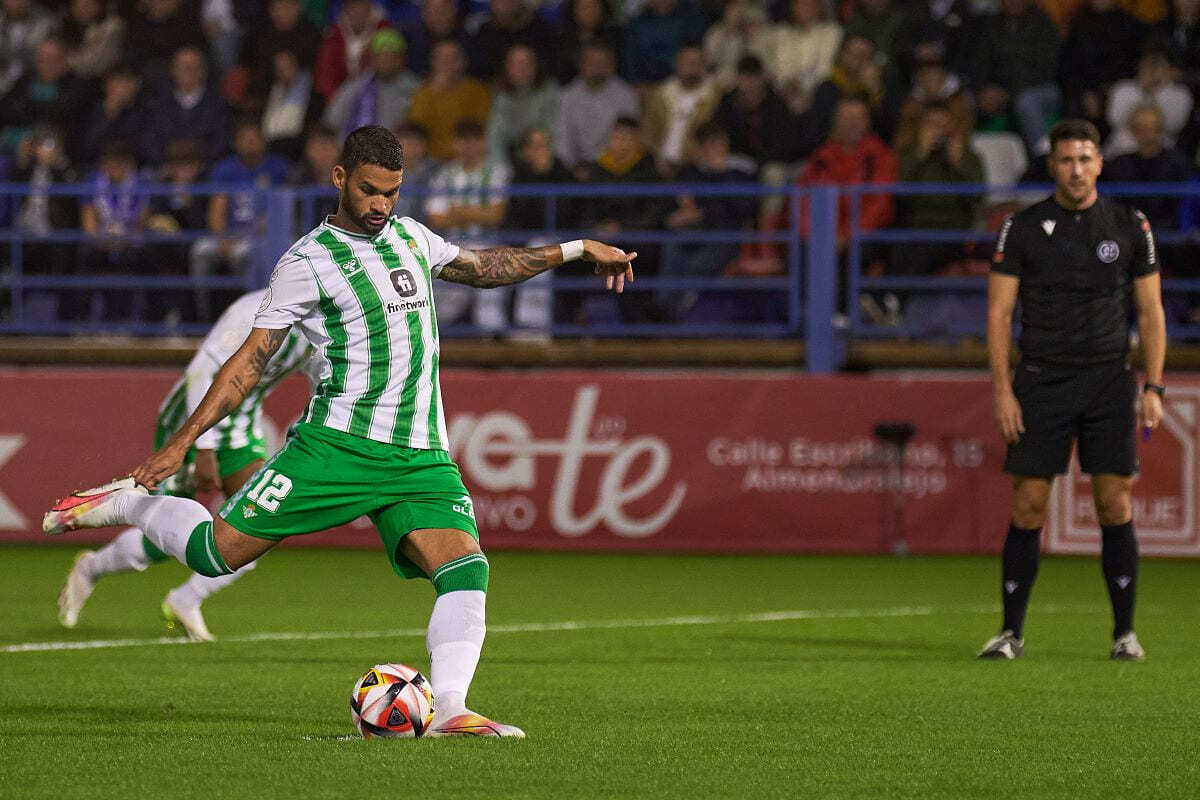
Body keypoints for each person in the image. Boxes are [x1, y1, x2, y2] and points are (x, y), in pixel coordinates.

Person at [43, 124, 636, 738]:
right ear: (340, 179)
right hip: (335, 446)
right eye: (371, 191)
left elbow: (486, 266)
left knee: (465, 569)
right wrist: (183, 442)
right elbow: (248, 361)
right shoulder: (307, 262)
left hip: (419, 454)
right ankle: (133, 505)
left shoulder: (412, 236)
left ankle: (452, 709)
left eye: (393, 193)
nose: (382, 205)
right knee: (216, 555)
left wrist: (574, 249)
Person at [980, 119, 1166, 662]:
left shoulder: (1129, 224)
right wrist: (1002, 390)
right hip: (1041, 379)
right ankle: (1011, 633)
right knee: (1029, 504)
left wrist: (1153, 385)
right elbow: (998, 313)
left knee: (1114, 502)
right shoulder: (1023, 227)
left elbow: (1151, 313)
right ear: (1052, 166)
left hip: (1109, 379)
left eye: (1085, 159)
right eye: (1066, 160)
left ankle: (1124, 634)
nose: (1076, 170)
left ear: (1099, 164)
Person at [56, 290, 315, 642]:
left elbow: (325, 384)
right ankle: (91, 568)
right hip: (189, 421)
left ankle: (186, 599)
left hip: (240, 429)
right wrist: (202, 448)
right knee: (164, 534)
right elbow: (200, 373)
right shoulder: (255, 310)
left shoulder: (328, 324)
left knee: (261, 525)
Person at [426, 119, 513, 333]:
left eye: (474, 140)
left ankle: (496, 353)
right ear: (455, 144)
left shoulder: (497, 171)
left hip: (487, 246)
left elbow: (496, 215)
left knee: (489, 309)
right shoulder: (444, 174)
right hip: (453, 247)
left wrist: (457, 211)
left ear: (483, 143)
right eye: (463, 140)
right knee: (440, 310)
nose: (468, 146)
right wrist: (476, 214)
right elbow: (436, 219)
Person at [553, 41, 639, 172]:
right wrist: (573, 167)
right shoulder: (566, 97)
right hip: (576, 168)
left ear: (612, 66)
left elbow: (629, 140)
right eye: (591, 62)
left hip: (616, 167)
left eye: (603, 62)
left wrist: (607, 167)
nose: (597, 67)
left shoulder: (626, 96)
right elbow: (562, 139)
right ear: (581, 65)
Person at [404, 40, 491, 160]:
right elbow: (415, 128)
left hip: (465, 158)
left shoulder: (477, 91)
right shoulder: (423, 92)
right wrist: (434, 92)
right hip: (429, 160)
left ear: (463, 62)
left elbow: (477, 129)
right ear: (433, 63)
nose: (446, 64)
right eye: (441, 59)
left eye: (452, 59)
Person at [324, 29, 419, 137]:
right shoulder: (355, 87)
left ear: (402, 59)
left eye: (392, 57)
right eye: (381, 57)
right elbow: (332, 122)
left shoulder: (415, 88)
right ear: (372, 59)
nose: (386, 62)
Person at [641, 44, 719, 173]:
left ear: (704, 65)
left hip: (698, 166)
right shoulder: (661, 94)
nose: (692, 66)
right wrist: (656, 159)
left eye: (697, 62)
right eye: (687, 62)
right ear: (677, 64)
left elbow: (715, 136)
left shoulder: (715, 97)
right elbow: (648, 133)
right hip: (659, 165)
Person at [486, 44, 559, 164]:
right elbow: (495, 138)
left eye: (526, 63)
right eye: (515, 63)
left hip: (546, 158)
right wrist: (500, 170)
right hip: (513, 161)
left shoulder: (551, 92)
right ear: (507, 68)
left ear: (536, 66)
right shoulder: (501, 97)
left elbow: (553, 134)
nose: (521, 68)